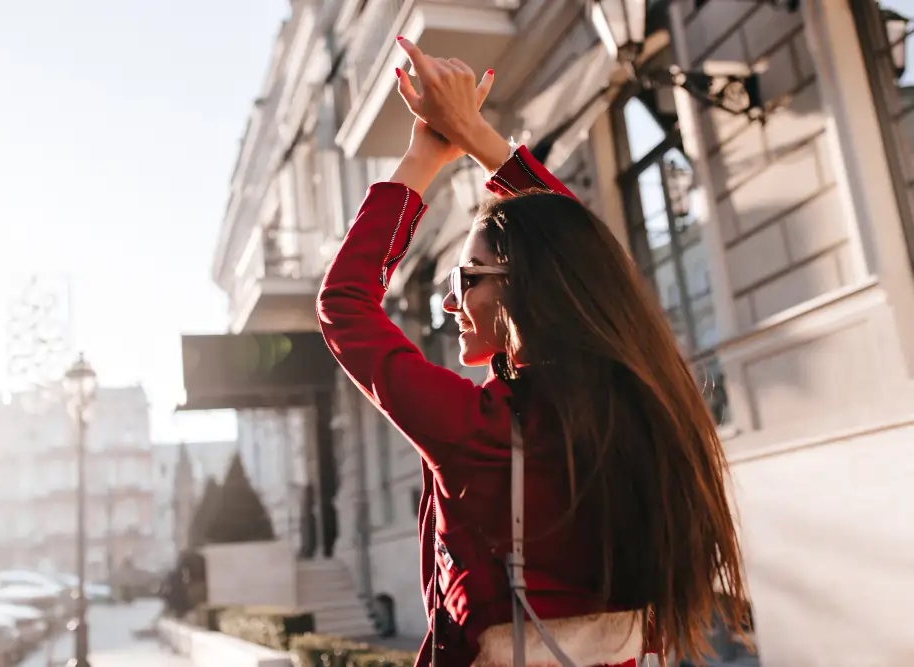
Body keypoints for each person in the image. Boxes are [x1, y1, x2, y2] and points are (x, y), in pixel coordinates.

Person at [317, 37, 749, 667]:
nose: (449, 303)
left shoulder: (479, 431)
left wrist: (422, 157)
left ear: (524, 289)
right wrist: (474, 135)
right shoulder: (637, 403)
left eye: (465, 279)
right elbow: (588, 259)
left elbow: (344, 304)